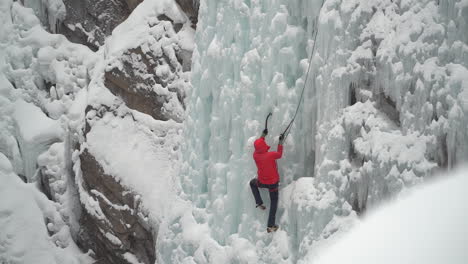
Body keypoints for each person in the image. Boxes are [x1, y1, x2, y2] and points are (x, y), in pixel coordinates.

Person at [250, 128, 284, 233]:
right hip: (273, 184)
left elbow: (258, 146)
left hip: (262, 182)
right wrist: (280, 142)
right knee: (273, 202)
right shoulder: (270, 155)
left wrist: (263, 135)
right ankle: (270, 225)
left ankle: (259, 202)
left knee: (252, 183)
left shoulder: (255, 155)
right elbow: (279, 154)